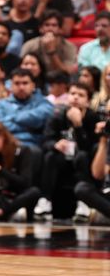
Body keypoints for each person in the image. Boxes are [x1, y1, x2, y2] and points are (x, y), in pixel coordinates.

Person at [36, 82, 99, 221]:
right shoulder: (58, 115)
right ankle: (45, 200)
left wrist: (78, 126)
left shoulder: (92, 117)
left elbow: (90, 147)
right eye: (72, 94)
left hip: (84, 159)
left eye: (81, 95)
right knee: (50, 156)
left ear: (88, 101)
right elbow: (46, 140)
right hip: (62, 158)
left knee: (82, 156)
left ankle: (83, 203)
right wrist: (55, 144)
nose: (75, 97)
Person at [0, 68, 54, 147]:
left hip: (34, 146)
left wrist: (11, 118)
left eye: (25, 83)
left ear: (33, 85)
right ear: (10, 86)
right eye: (17, 83)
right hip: (6, 146)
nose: (21, 87)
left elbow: (48, 116)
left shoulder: (43, 103)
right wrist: (31, 126)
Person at [21, 10, 78, 75]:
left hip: (60, 82)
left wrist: (52, 52)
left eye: (54, 25)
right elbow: (22, 70)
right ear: (40, 28)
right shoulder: (29, 45)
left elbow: (67, 73)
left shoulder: (69, 47)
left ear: (60, 29)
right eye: (47, 25)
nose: (50, 28)